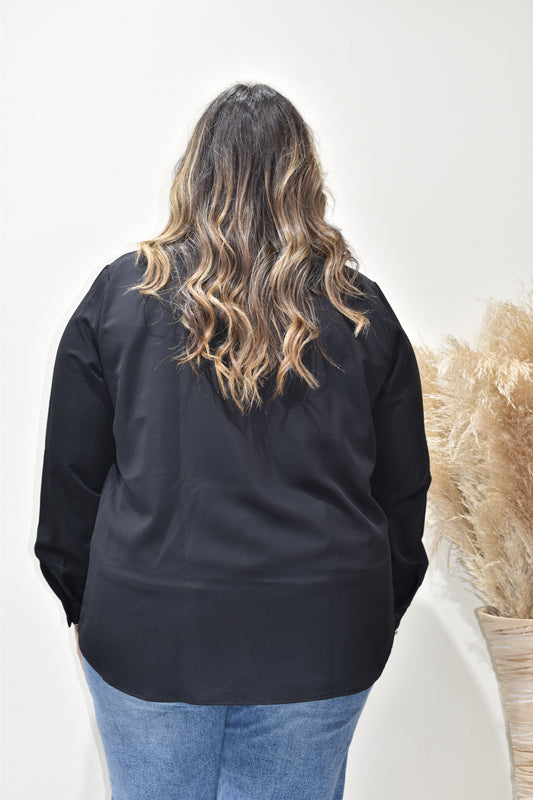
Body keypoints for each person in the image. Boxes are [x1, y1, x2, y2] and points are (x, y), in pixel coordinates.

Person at [34, 81, 432, 800]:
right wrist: (371, 606)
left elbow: (70, 481)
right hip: (318, 633)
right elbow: (403, 493)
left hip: (150, 628)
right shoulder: (359, 310)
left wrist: (88, 604)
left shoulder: (122, 296)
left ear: (195, 172)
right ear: (305, 179)